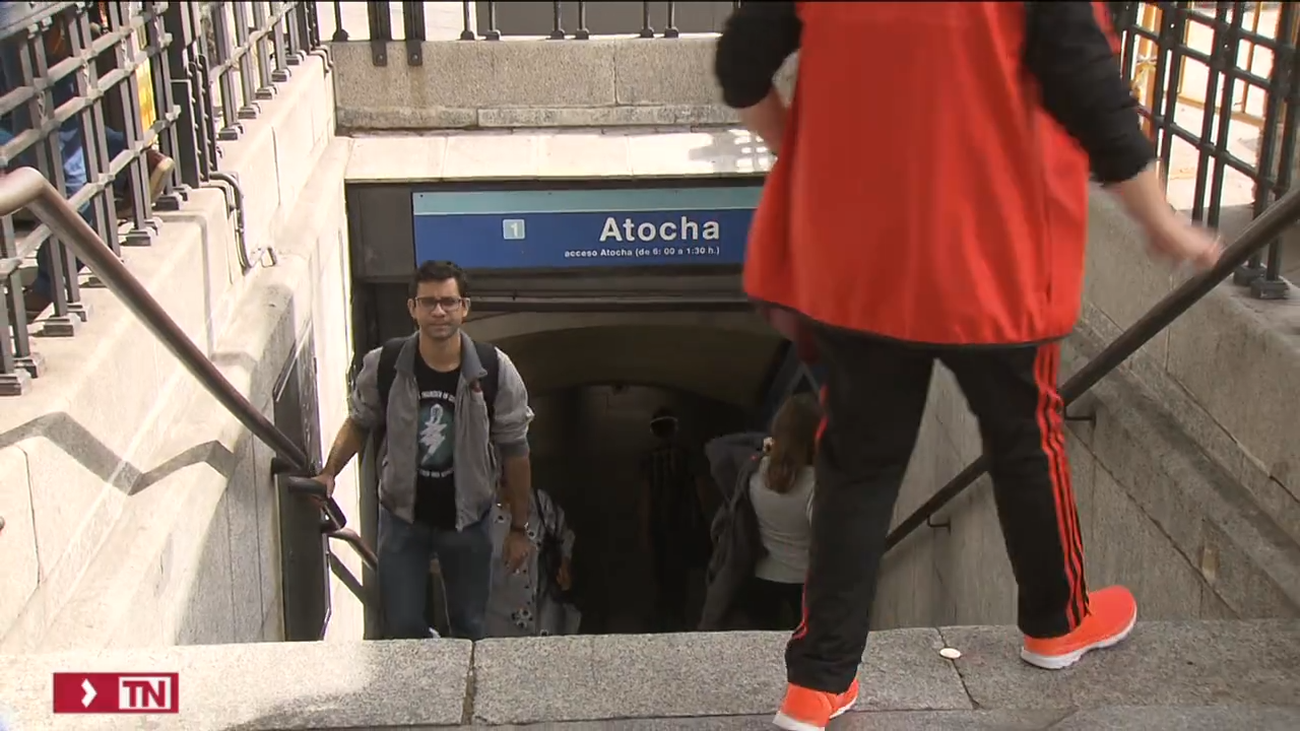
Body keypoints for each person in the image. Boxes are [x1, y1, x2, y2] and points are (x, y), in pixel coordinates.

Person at [714, 3, 1222, 730]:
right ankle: (1056, 620)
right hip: (996, 255)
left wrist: (798, 150)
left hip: (862, 260)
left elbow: (740, 64)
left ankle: (818, 682)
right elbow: (1089, 90)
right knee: (1026, 436)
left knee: (857, 464)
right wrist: (1159, 220)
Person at [313, 260, 536, 640]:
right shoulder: (385, 363)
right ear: (412, 309)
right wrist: (329, 472)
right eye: (428, 302)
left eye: (448, 302)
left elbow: (515, 450)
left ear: (464, 308)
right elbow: (359, 423)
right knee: (401, 626)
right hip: (403, 519)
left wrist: (519, 528)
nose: (438, 311)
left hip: (468, 521)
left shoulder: (493, 368)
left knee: (470, 627)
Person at [701, 393, 820, 632]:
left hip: (760, 577)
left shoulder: (754, 470)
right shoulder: (817, 484)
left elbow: (716, 447)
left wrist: (765, 441)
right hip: (804, 585)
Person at [639, 407, 711, 632]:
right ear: (675, 429)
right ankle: (680, 616)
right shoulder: (688, 455)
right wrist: (705, 520)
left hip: (659, 524)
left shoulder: (648, 460)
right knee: (682, 573)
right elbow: (701, 491)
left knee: (661, 571)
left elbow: (646, 497)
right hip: (684, 522)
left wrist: (643, 530)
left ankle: (664, 614)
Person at [485, 484, 580, 637]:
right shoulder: (478, 508)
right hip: (500, 622)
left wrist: (565, 561)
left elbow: (563, 535)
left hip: (544, 616)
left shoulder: (539, 501)